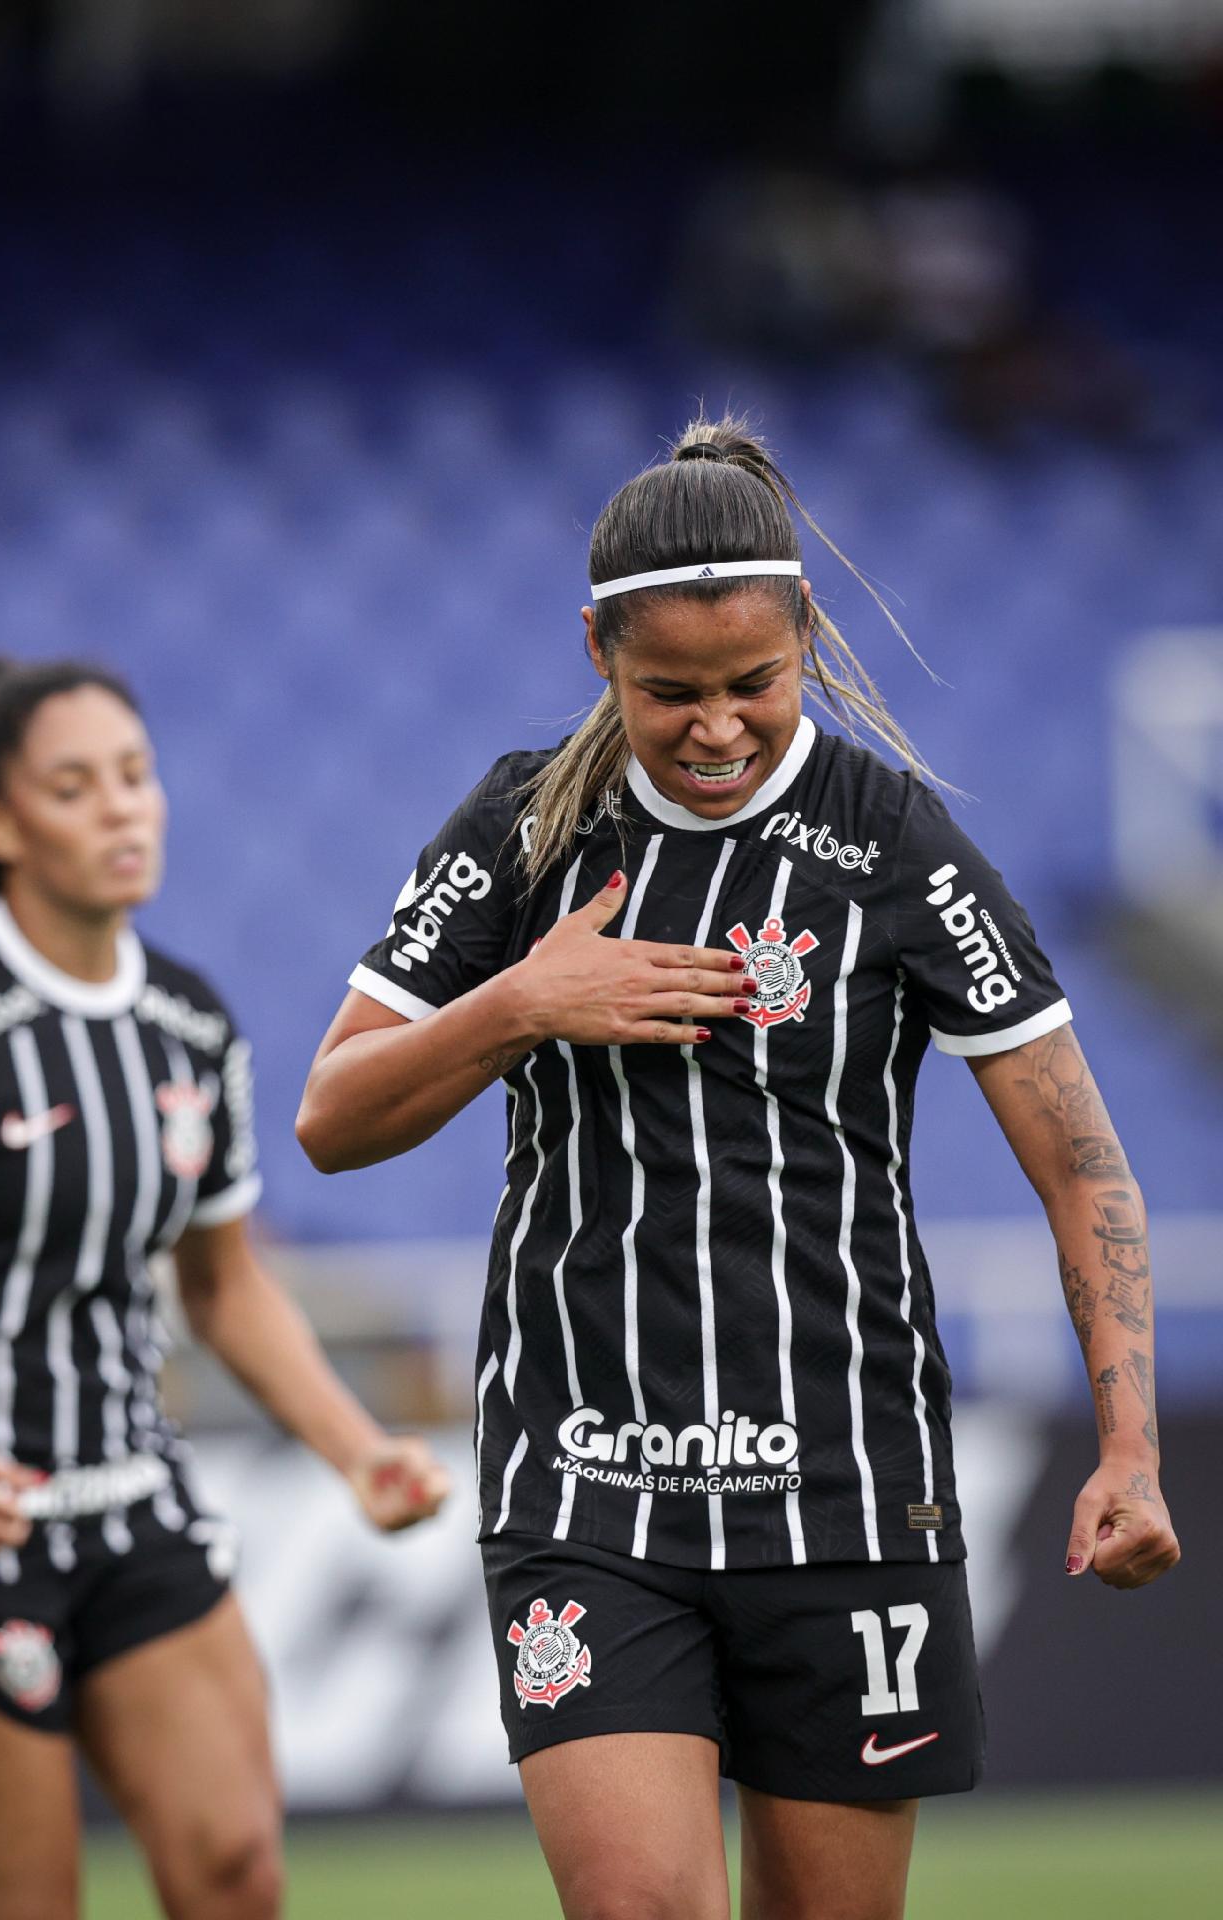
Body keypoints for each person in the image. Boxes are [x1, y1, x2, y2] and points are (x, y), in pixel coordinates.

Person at [296, 415, 1180, 1920]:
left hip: (844, 1489)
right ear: (596, 653)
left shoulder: (897, 844)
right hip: (590, 1483)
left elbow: (1083, 1161)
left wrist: (1130, 1444)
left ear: (805, 638)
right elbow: (333, 1113)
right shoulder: (524, 830)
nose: (716, 730)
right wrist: (521, 1004)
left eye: (751, 687)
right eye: (670, 693)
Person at [0, 651, 449, 1920]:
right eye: (74, 786)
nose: (122, 808)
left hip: (132, 1504)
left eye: (134, 776)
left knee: (235, 1870)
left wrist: (357, 1448)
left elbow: (222, 1287)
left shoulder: (190, 1025)